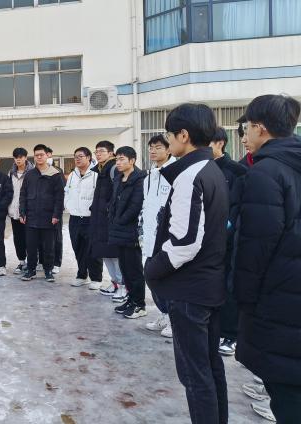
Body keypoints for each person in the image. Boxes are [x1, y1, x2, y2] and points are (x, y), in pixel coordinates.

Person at [144, 103, 229, 424]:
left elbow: (184, 243)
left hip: (190, 291)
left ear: (183, 135)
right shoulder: (211, 169)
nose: (166, 141)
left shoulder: (190, 175)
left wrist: (152, 269)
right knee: (209, 368)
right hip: (207, 286)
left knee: (195, 375)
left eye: (169, 135)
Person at [233, 94, 301, 423]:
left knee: (287, 398)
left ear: (260, 128)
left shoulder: (265, 172)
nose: (244, 135)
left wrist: (243, 299)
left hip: (278, 298)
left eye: (246, 128)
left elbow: (256, 247)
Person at [207, 127, 247, 356]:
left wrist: (226, 231)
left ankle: (231, 334)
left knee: (228, 287)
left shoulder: (237, 171)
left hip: (227, 240)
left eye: (208, 143)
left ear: (220, 143)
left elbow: (237, 207)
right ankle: (215, 329)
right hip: (205, 240)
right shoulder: (202, 169)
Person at [141, 135, 177, 338]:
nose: (153, 151)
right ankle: (164, 314)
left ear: (169, 150)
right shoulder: (149, 176)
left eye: (158, 147)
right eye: (151, 148)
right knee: (151, 276)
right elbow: (146, 206)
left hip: (167, 238)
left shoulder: (176, 173)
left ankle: (174, 319)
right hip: (149, 237)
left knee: (166, 279)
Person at [108, 147, 147, 319]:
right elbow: (113, 202)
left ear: (132, 160)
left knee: (134, 269)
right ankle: (131, 300)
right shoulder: (118, 178)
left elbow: (135, 206)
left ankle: (140, 304)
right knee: (124, 268)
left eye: (122, 159)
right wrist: (112, 218)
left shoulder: (140, 179)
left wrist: (120, 220)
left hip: (131, 230)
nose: (118, 162)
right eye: (117, 159)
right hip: (118, 229)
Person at [20, 144, 65, 283]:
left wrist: (56, 215)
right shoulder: (29, 174)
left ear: (47, 155)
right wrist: (22, 212)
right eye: (36, 155)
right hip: (31, 217)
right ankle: (31, 270)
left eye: (41, 155)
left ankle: (48, 270)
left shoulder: (55, 174)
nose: (39, 157)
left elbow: (59, 197)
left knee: (48, 247)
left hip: (48, 217)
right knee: (31, 246)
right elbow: (23, 194)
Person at [89, 141, 124, 300]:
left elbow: (119, 194)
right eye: (96, 151)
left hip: (110, 220)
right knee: (105, 253)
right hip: (100, 219)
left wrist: (110, 211)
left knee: (114, 254)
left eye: (101, 151)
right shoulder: (101, 169)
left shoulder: (114, 169)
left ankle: (123, 286)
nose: (98, 154)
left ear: (111, 153)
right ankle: (115, 283)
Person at [65, 147, 102, 288]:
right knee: (78, 248)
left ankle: (96, 278)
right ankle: (81, 275)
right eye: (75, 157)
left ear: (89, 158)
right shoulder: (72, 175)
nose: (77, 159)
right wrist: (68, 205)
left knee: (92, 249)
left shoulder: (96, 174)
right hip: (74, 217)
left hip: (90, 218)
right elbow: (67, 192)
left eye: (80, 156)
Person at [8, 147, 33, 274]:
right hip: (14, 211)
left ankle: (32, 262)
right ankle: (22, 262)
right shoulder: (11, 173)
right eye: (16, 157)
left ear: (25, 158)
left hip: (28, 212)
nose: (18, 160)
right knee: (18, 238)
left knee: (30, 238)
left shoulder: (33, 172)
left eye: (21, 157)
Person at [43, 146, 63, 273]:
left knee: (56, 238)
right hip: (42, 211)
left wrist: (57, 211)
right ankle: (43, 262)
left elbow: (61, 193)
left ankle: (57, 263)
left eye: (48, 154)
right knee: (44, 239)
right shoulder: (36, 171)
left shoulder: (57, 171)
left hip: (55, 211)